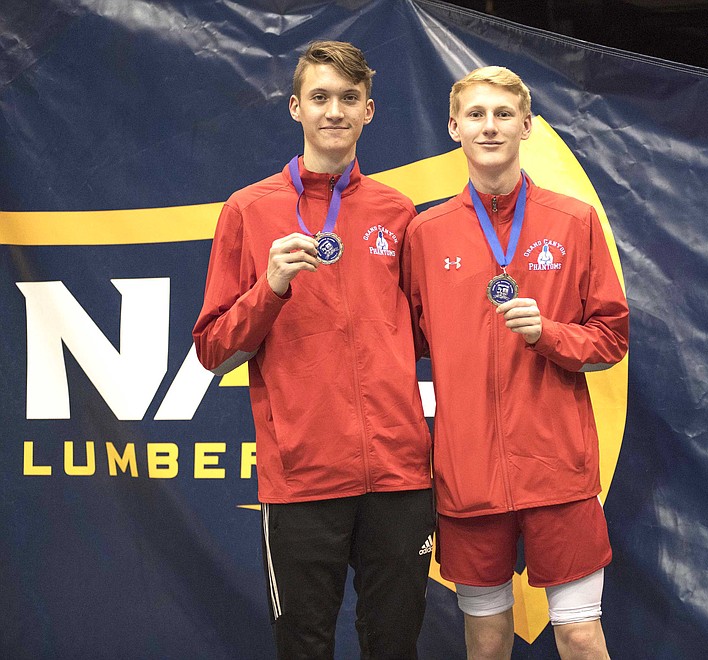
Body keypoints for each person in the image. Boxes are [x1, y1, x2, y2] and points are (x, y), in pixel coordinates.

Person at [193, 41, 434, 659]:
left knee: (395, 645)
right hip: (303, 478)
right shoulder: (248, 211)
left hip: (398, 475)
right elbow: (213, 350)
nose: (335, 111)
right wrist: (269, 288)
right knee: (304, 647)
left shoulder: (398, 212)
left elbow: (430, 334)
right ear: (295, 108)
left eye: (348, 98)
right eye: (320, 97)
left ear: (370, 111)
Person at [402, 66, 629, 660]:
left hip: (557, 471)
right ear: (454, 127)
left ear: (527, 125)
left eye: (503, 114)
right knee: (485, 641)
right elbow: (400, 342)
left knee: (580, 635)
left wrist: (550, 335)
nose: (490, 126)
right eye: (475, 114)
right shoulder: (426, 234)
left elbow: (610, 338)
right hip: (468, 476)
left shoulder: (573, 222)